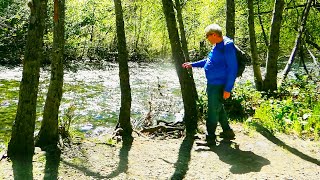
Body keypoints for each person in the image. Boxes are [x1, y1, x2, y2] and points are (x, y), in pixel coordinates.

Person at [182, 24, 238, 145]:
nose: (207, 39)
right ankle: (228, 132)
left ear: (214, 35)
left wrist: (228, 89)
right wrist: (193, 64)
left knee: (212, 111)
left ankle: (210, 138)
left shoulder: (227, 46)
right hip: (213, 84)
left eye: (207, 36)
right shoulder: (217, 45)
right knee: (218, 107)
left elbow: (233, 69)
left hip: (219, 84)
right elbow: (209, 61)